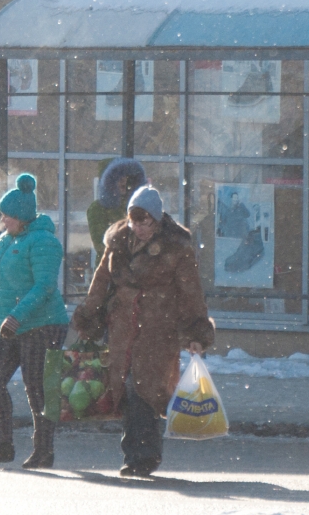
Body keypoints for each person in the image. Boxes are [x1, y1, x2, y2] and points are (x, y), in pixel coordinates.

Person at [74, 184, 214, 479]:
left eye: (144, 221)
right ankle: (136, 454)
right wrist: (88, 315)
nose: (138, 227)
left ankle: (144, 456)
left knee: (145, 390)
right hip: (122, 327)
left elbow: (191, 293)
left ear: (157, 217)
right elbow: (101, 282)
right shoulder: (118, 242)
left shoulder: (177, 247)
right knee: (124, 390)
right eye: (134, 221)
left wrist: (195, 333)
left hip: (158, 330)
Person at [0, 174, 71, 469]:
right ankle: (2, 444)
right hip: (6, 324)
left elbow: (44, 287)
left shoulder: (44, 241)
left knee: (38, 388)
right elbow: (1, 286)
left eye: (8, 216)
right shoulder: (6, 241)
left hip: (43, 324)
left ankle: (44, 450)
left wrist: (16, 317)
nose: (3, 220)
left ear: (23, 216)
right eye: (2, 215)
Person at [86, 157, 146, 256]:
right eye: (117, 177)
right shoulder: (97, 208)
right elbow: (101, 245)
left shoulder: (134, 206)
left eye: (124, 176)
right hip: (110, 267)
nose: (123, 181)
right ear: (108, 182)